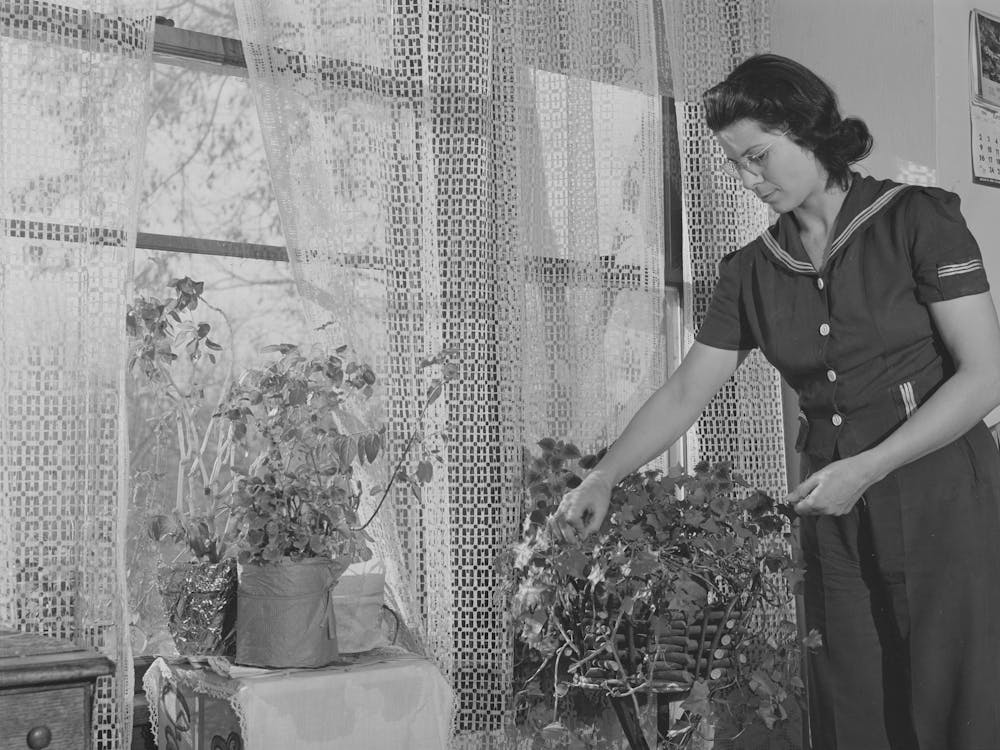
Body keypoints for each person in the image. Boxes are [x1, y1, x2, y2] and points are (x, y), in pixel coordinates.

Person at [550, 53, 1000, 750]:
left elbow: (986, 374)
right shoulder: (753, 270)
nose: (749, 180)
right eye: (735, 165)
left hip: (941, 492)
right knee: (851, 703)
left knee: (956, 700)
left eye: (759, 156)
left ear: (807, 130)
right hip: (832, 506)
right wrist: (604, 475)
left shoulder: (917, 221)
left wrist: (872, 467)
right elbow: (684, 390)